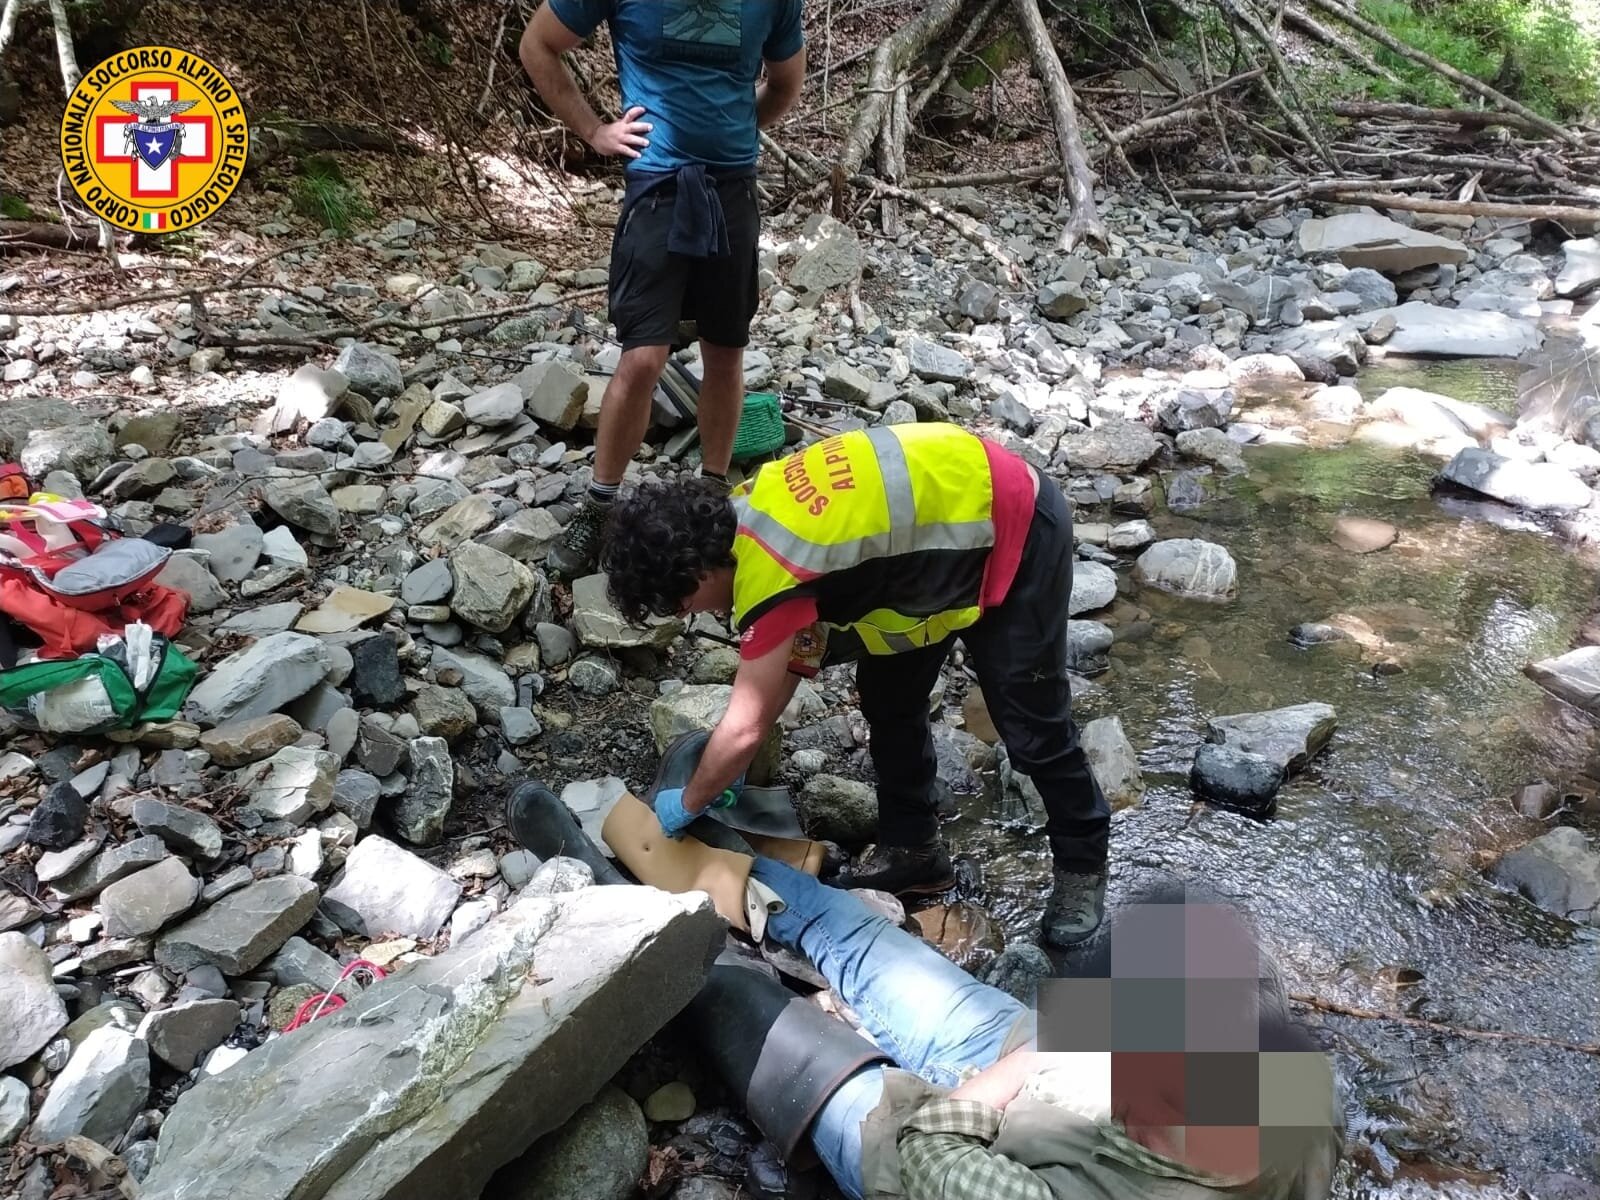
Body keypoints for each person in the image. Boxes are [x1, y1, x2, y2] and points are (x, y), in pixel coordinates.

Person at [502, 778, 1343, 1200]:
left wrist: (999, 1085)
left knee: (759, 1020)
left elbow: (928, 1147)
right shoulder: (1293, 1093)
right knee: (863, 941)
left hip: (941, 1150)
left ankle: (610, 888)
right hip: (1030, 1060)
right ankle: (726, 856)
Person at [599, 421, 1114, 947]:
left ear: (698, 571)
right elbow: (787, 670)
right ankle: (914, 852)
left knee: (1030, 723)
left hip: (1014, 525)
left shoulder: (769, 567)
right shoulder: (742, 512)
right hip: (928, 551)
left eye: (685, 605)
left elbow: (746, 724)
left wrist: (690, 801)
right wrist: (726, 771)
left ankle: (1083, 863)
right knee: (890, 697)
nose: (697, 614)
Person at [518, 0, 807, 579]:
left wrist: (736, 128)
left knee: (725, 349)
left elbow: (784, 83)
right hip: (657, 188)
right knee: (643, 357)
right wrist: (593, 130)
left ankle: (711, 496)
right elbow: (538, 44)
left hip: (732, 188)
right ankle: (600, 505)